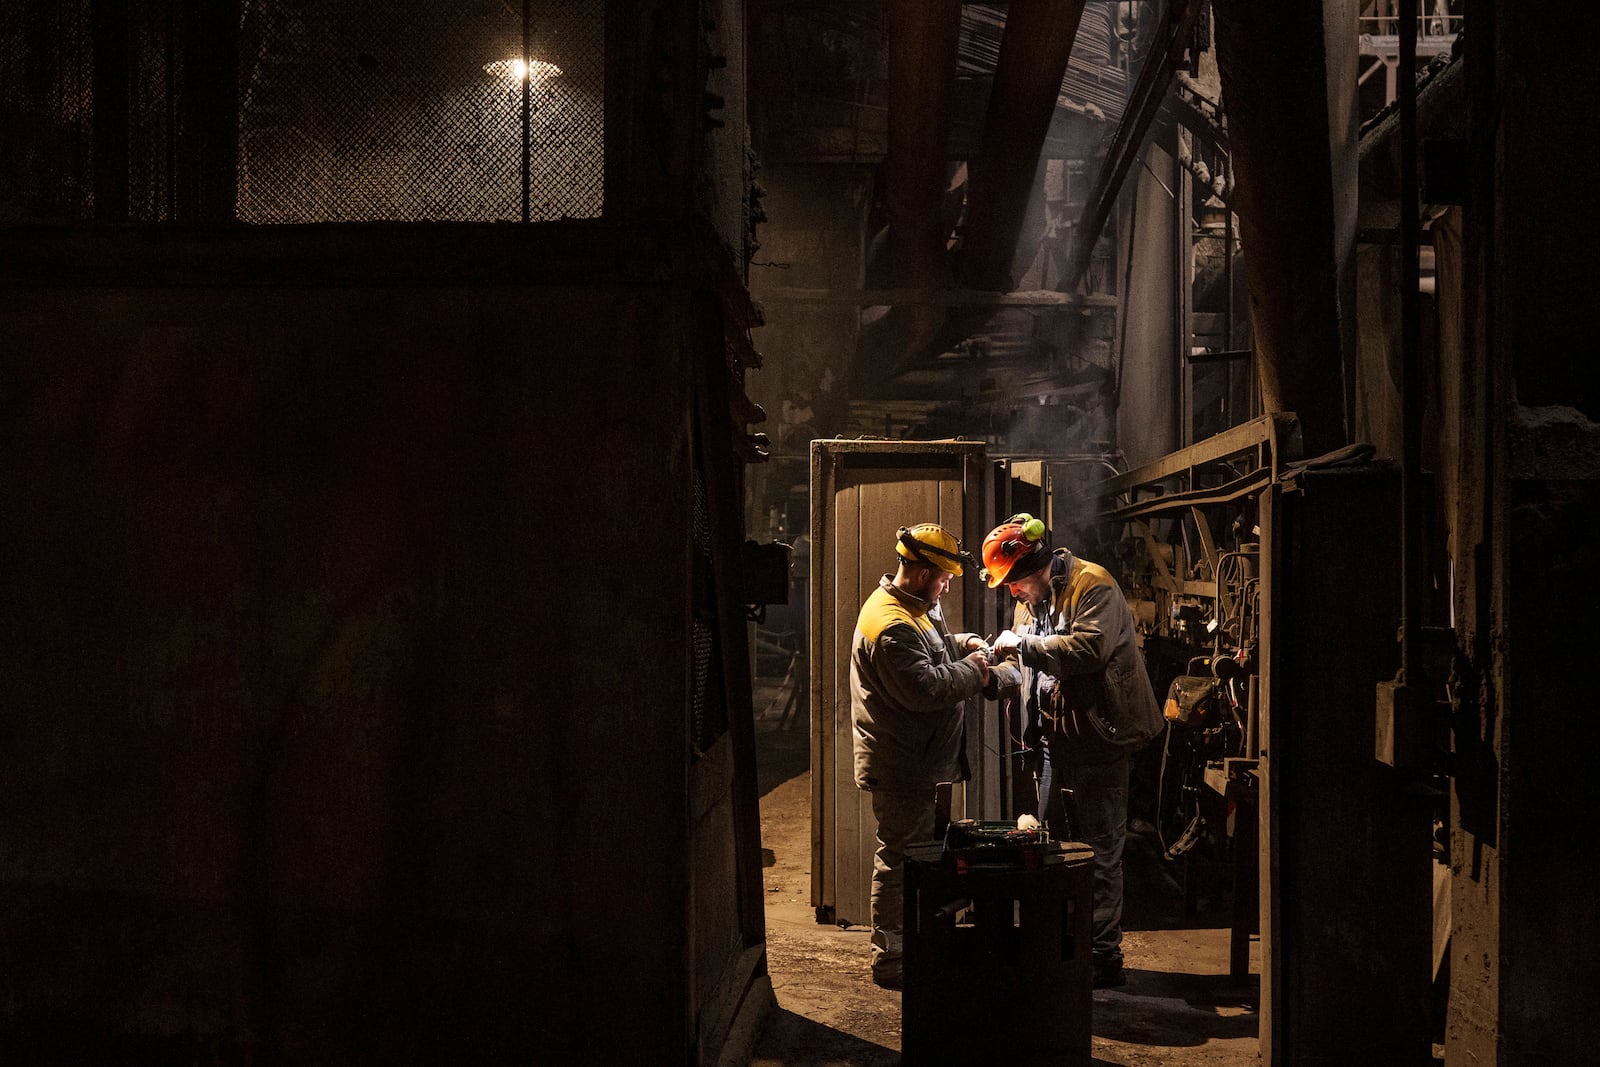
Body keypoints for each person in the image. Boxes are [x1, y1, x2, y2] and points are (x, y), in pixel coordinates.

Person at [985, 513, 1163, 989]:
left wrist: (1022, 647)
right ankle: (1059, 944)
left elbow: (1087, 650)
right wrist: (988, 676)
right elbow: (1031, 670)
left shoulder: (1093, 585)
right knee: (1045, 846)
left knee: (1101, 851)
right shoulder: (1030, 603)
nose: (1011, 593)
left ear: (1037, 565)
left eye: (1014, 582)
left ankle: (1104, 956)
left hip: (1101, 739)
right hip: (1055, 741)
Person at [849, 522, 1018, 990]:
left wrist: (964, 645)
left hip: (918, 759)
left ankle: (914, 947)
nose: (947, 585)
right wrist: (975, 669)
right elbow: (926, 687)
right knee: (899, 859)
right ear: (922, 572)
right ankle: (892, 960)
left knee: (916, 856)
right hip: (901, 764)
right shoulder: (890, 625)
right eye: (943, 577)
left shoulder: (917, 607)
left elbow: (934, 650)